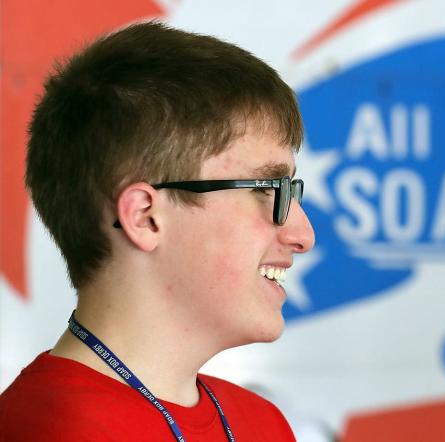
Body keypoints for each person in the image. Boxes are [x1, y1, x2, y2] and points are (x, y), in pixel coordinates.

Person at [0, 21, 315, 441]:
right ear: (145, 217)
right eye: (265, 188)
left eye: (291, 190)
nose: (303, 233)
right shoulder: (49, 429)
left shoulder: (262, 424)